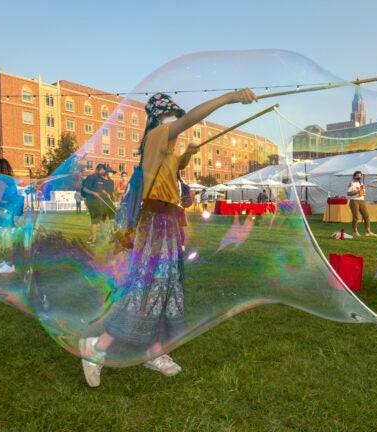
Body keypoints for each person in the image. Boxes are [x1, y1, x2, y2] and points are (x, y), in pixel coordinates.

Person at [79, 89, 257, 387]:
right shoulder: (158, 136)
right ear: (160, 117)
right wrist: (230, 98)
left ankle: (154, 352)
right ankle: (96, 349)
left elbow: (175, 171)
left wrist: (187, 155)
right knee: (145, 287)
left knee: (166, 289)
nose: (174, 118)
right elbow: (188, 120)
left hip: (167, 224)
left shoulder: (167, 151)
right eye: (170, 114)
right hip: (154, 224)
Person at [81, 164, 115, 245]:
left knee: (95, 221)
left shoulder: (100, 178)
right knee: (95, 221)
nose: (104, 172)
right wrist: (93, 193)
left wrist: (106, 193)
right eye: (103, 171)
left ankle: (90, 238)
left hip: (99, 202)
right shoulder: (91, 177)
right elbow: (84, 189)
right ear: (98, 169)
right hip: (92, 201)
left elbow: (101, 189)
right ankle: (93, 240)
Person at [346, 171, 376, 237]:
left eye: (360, 176)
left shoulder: (361, 184)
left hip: (362, 200)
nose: (359, 177)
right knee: (356, 216)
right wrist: (356, 192)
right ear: (354, 176)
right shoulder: (351, 184)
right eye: (357, 175)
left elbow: (364, 192)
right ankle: (355, 231)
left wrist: (362, 193)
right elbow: (348, 193)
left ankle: (368, 232)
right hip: (354, 201)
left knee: (366, 216)